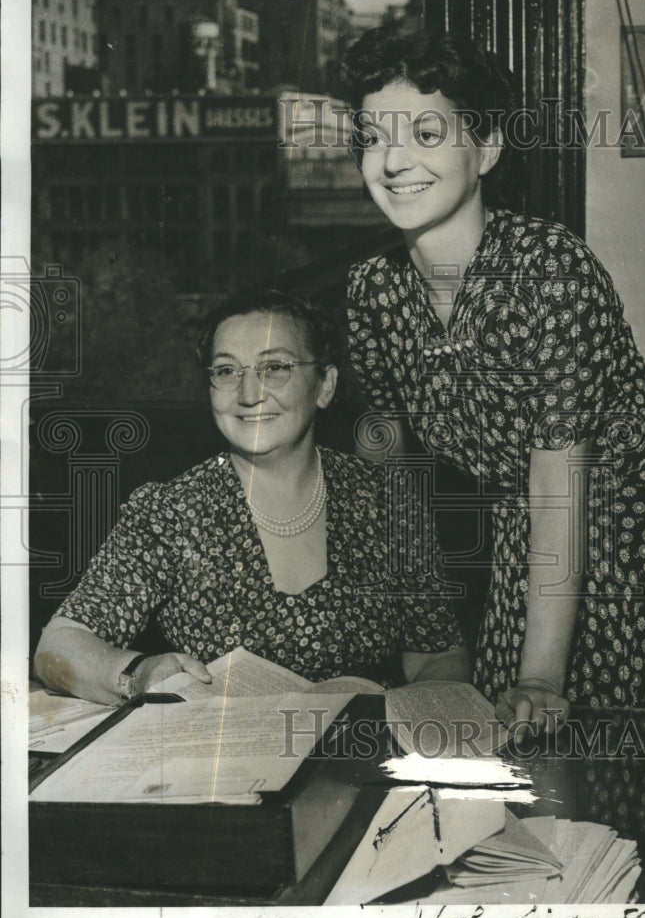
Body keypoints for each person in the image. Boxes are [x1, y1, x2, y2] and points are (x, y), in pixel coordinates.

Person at [336, 29, 645, 736]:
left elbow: (559, 474)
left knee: (625, 772)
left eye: (426, 133)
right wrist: (421, 634)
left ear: (485, 148)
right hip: (531, 543)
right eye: (373, 137)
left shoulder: (550, 270)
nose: (393, 161)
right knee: (508, 770)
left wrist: (541, 674)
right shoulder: (372, 290)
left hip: (644, 544)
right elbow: (387, 472)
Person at [34, 289, 469, 704]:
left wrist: (420, 711)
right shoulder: (169, 513)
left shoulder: (387, 503)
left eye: (275, 367)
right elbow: (58, 646)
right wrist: (135, 674)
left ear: (325, 385)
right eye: (226, 371)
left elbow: (436, 654)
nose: (247, 394)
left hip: (362, 760)